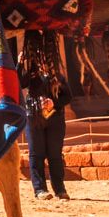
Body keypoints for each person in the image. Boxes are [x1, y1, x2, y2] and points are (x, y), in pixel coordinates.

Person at [24, 72, 71, 200]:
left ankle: (59, 189)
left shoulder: (57, 76)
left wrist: (54, 103)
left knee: (55, 154)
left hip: (55, 119)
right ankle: (40, 189)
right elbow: (20, 82)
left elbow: (67, 96)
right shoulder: (29, 72)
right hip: (34, 118)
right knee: (36, 154)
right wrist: (20, 64)